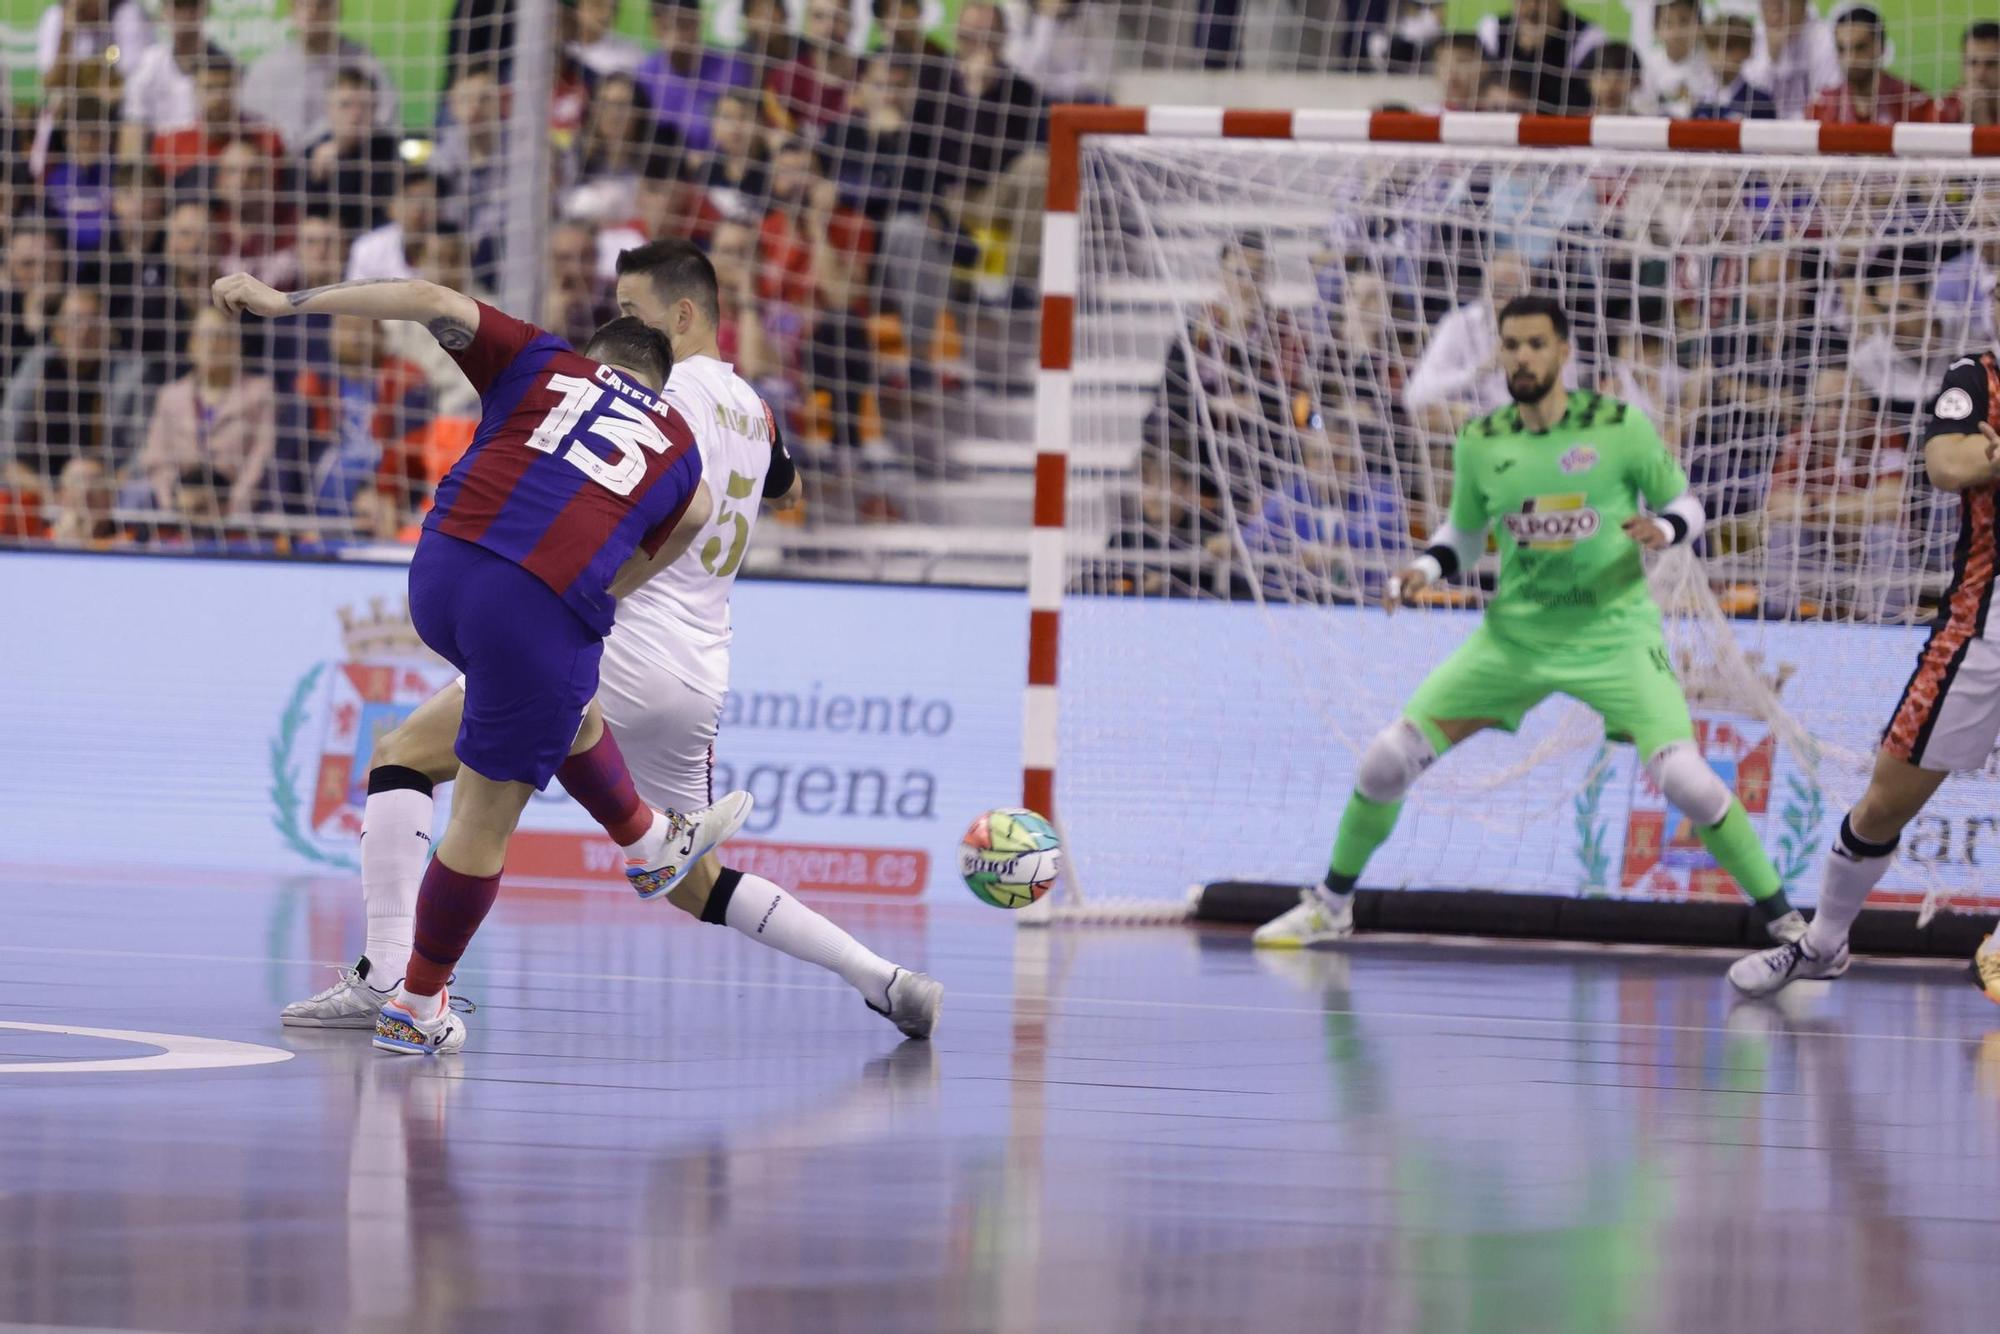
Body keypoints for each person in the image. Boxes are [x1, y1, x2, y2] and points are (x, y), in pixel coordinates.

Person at [277, 239, 943, 1042]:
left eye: (632, 313)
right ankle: (885, 979)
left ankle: (400, 986)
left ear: (683, 316)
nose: (620, 327)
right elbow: (789, 488)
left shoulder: (659, 395)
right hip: (698, 672)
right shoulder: (755, 409)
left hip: (607, 638)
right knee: (695, 884)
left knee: (409, 762)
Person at [213, 268, 753, 1056]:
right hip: (531, 605)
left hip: (440, 575)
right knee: (484, 815)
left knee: (566, 695)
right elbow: (698, 517)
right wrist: (613, 584)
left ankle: (645, 843)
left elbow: (428, 298)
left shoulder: (542, 359)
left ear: (591, 354)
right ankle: (417, 1005)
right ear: (661, 385)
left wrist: (286, 302)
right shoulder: (674, 441)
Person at [1255, 296, 1804, 948]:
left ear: (1564, 352)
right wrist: (1422, 572)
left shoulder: (1619, 426)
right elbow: (1462, 538)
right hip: (1513, 639)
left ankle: (1787, 925)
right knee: (1385, 761)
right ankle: (1331, 905)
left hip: (1614, 636)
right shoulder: (1482, 441)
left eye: (1535, 344)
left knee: (1685, 779)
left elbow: (1687, 502)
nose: (1521, 356)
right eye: (1511, 345)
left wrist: (1663, 527)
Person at [1729, 316, 2000, 998]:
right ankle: (1822, 943)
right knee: (1885, 803)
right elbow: (1951, 465)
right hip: (1981, 627)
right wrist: (1980, 456)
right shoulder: (1975, 379)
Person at [135, 303, 275, 514]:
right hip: (180, 505)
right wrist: (173, 502)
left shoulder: (260, 393)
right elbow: (156, 460)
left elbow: (261, 459)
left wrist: (231, 507)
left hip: (237, 510)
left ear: (237, 344)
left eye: (220, 335)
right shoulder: (170, 396)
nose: (212, 344)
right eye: (204, 336)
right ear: (191, 345)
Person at [240, 0, 396, 148]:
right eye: (304, 4)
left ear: (337, 10)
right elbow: (249, 122)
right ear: (291, 11)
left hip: (342, 162)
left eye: (322, 5)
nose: (312, 13)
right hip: (280, 165)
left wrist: (340, 145)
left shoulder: (363, 62)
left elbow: (385, 116)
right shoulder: (267, 68)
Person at [1807, 6, 1941, 125]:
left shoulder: (1913, 103)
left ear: (1881, 47)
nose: (1850, 59)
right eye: (1842, 49)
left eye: (1860, 48)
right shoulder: (1822, 104)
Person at [1743, 0, 1838, 120]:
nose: (1774, 7)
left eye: (1782, 3)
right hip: (1762, 130)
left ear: (1803, 3)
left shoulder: (1826, 38)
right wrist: (1772, 58)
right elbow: (1749, 102)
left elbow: (1826, 101)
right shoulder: (1753, 35)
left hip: (1808, 131)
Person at [1691, 11, 1777, 120]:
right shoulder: (1702, 102)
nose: (1718, 55)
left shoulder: (1760, 101)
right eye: (1712, 47)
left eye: (1727, 47)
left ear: (1747, 50)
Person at [1638, 0, 1713, 117]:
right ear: (1656, 29)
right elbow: (1644, 105)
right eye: (1668, 23)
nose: (1677, 30)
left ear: (1699, 27)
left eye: (1684, 22)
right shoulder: (1650, 64)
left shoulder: (1709, 65)